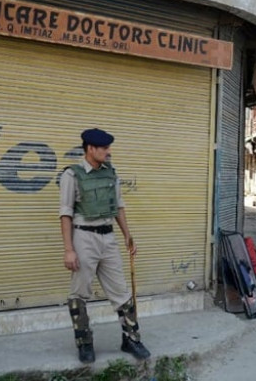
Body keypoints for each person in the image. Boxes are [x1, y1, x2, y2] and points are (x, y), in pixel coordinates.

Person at [59, 128, 150, 363]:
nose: (109, 152)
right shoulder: (72, 175)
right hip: (84, 238)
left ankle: (131, 339)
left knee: (121, 291)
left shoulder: (111, 173)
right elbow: (65, 214)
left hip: (108, 238)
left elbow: (119, 206)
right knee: (79, 293)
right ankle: (84, 343)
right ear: (91, 149)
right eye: (105, 148)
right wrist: (69, 249)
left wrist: (128, 235)